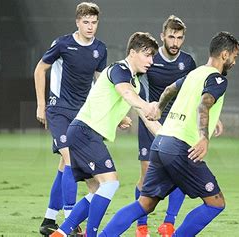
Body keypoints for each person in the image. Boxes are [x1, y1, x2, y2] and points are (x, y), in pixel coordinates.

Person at [99, 31, 239, 237]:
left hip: (161, 142)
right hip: (181, 148)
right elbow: (204, 104)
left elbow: (169, 89)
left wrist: (158, 108)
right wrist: (204, 138)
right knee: (215, 203)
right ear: (225, 55)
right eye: (235, 57)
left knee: (145, 204)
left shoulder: (195, 73)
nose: (235, 62)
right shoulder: (217, 79)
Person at [49, 32, 161, 237]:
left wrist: (165, 137)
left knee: (96, 192)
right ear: (133, 52)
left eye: (153, 56)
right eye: (147, 55)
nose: (151, 61)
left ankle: (62, 232)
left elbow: (147, 118)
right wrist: (146, 105)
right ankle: (91, 235)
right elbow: (125, 93)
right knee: (110, 183)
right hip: (85, 133)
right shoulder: (119, 69)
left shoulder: (135, 83)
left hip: (83, 134)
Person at [33, 2, 107, 236]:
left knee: (65, 165)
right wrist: (41, 105)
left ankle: (49, 220)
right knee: (70, 160)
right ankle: (70, 222)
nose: (90, 27)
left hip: (83, 115)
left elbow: (101, 84)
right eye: (86, 22)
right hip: (59, 111)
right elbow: (39, 70)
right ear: (77, 22)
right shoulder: (63, 44)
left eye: (94, 22)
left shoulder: (100, 49)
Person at [134, 15, 197, 237]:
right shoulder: (150, 61)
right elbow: (137, 91)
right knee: (146, 177)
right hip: (151, 123)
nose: (175, 42)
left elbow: (195, 93)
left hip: (177, 126)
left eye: (179, 38)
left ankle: (168, 224)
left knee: (179, 174)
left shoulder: (188, 62)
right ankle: (141, 226)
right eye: (171, 36)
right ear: (162, 36)